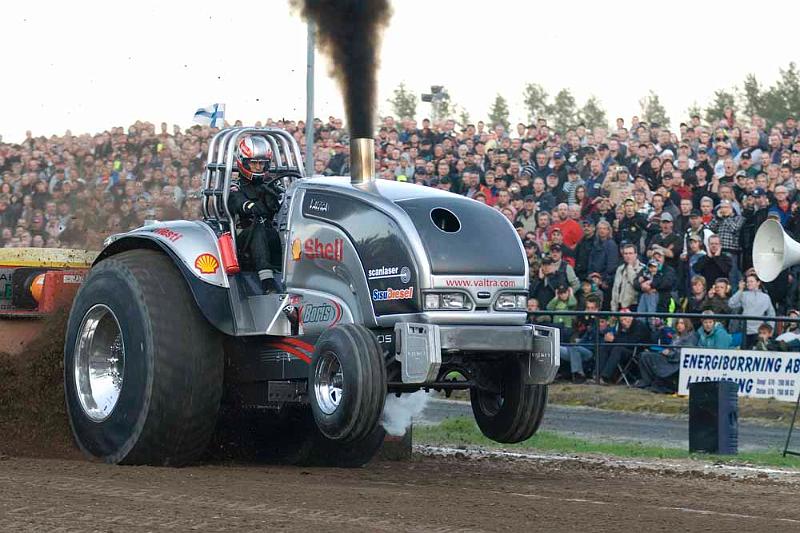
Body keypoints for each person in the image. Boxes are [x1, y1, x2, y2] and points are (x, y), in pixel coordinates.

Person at [228, 136, 283, 293]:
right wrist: (249, 206)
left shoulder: (273, 184)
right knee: (257, 226)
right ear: (244, 162)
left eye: (262, 163)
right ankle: (267, 281)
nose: (258, 167)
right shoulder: (235, 185)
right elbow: (236, 200)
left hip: (270, 232)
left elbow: (284, 200)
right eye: (254, 163)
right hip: (244, 236)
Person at [636, 317, 697, 393]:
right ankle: (647, 381)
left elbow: (686, 353)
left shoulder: (691, 336)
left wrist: (670, 353)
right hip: (668, 357)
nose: (679, 325)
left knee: (651, 357)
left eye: (682, 323)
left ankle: (658, 384)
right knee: (644, 355)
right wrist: (666, 351)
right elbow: (671, 348)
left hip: (676, 362)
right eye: (678, 323)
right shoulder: (676, 336)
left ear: (687, 324)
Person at [598, 312, 652, 384]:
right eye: (621, 320)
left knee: (617, 349)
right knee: (605, 346)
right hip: (623, 348)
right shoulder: (622, 326)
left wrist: (614, 339)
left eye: (625, 319)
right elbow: (619, 337)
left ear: (631, 317)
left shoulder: (639, 326)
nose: (623, 322)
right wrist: (610, 338)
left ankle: (605, 377)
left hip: (636, 351)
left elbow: (633, 342)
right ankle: (597, 374)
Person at [728, 273, 776, 348]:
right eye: (747, 282)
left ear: (758, 283)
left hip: (759, 331)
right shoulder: (743, 294)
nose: (749, 283)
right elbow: (731, 304)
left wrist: (770, 329)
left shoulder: (765, 297)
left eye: (751, 281)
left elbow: (771, 314)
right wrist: (740, 290)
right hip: (745, 330)